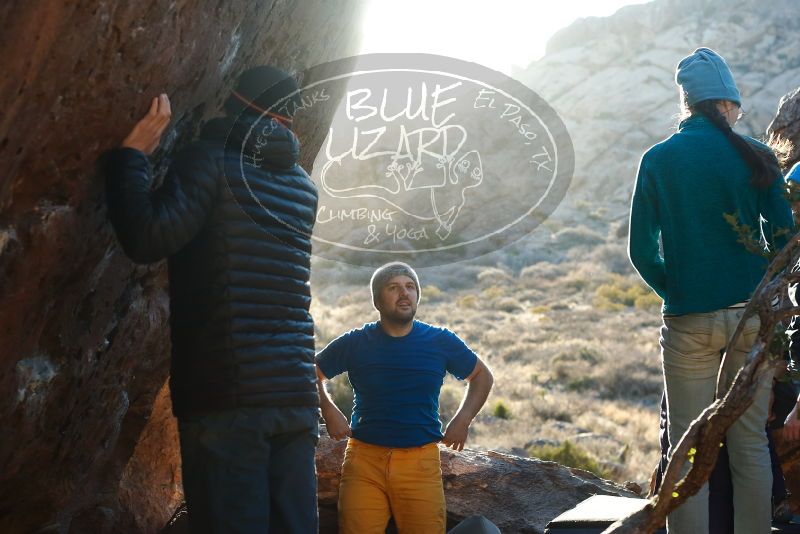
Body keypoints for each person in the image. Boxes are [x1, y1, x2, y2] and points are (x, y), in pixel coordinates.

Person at [104, 66, 320, 533]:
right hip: (294, 395)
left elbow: (147, 238)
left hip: (227, 395)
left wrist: (131, 158)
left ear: (237, 106)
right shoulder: (304, 187)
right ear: (288, 120)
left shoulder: (210, 160)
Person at [628, 48, 794, 533]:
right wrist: (758, 290)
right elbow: (785, 244)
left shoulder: (657, 160)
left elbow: (642, 251)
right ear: (728, 103)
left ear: (688, 103)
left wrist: (678, 290)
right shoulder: (757, 156)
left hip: (688, 322)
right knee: (750, 445)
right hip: (751, 318)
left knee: (687, 444)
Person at [315, 262, 494, 534]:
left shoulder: (439, 340)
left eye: (410, 287)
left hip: (420, 463)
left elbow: (482, 375)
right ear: (377, 300)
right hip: (364, 461)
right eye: (394, 287)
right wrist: (328, 409)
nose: (404, 293)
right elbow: (309, 372)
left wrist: (463, 419)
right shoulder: (356, 342)